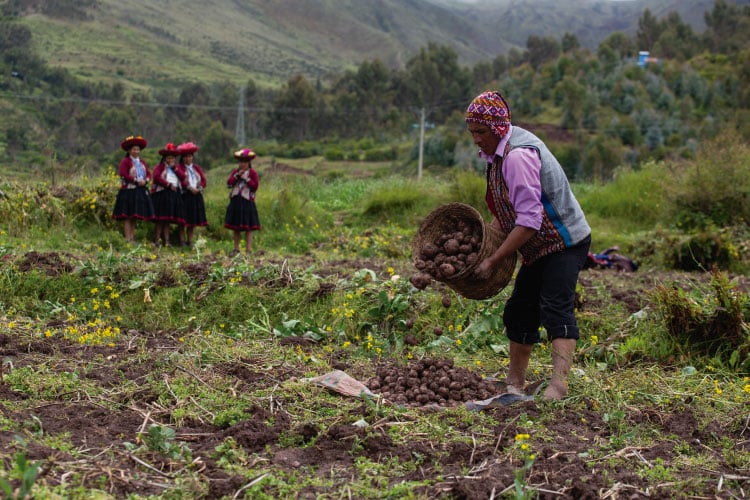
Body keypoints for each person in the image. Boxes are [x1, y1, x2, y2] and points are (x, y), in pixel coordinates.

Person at [465, 90, 591, 401]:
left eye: (480, 132)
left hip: (563, 242)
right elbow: (506, 209)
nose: (476, 140)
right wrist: (483, 242)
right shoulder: (498, 151)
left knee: (555, 308)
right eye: (472, 133)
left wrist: (493, 260)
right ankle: (515, 382)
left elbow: (529, 221)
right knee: (520, 309)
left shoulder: (518, 156)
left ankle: (558, 387)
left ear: (496, 128)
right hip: (537, 246)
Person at [112, 135, 155, 242]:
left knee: (134, 215)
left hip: (139, 190)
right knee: (128, 215)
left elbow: (148, 174)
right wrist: (135, 180)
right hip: (129, 191)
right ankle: (128, 239)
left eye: (138, 149)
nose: (136, 151)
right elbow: (123, 174)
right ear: (129, 150)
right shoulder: (125, 161)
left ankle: (132, 237)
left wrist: (146, 180)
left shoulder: (142, 162)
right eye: (134, 149)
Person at [224, 148, 261, 255]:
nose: (242, 164)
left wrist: (246, 178)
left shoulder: (252, 173)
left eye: (245, 162)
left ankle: (248, 250)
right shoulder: (235, 172)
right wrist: (237, 176)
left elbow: (255, 186)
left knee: (249, 228)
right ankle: (236, 249)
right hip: (236, 201)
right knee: (236, 227)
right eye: (241, 162)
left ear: (248, 163)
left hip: (247, 201)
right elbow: (229, 182)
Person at [150, 143, 186, 247]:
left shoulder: (177, 168)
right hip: (162, 194)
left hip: (173, 195)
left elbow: (183, 177)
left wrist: (174, 168)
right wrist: (168, 184)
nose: (170, 159)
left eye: (172, 158)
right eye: (169, 157)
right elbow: (156, 177)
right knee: (160, 219)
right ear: (165, 158)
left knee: (167, 220)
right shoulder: (160, 167)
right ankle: (156, 240)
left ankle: (167, 241)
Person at [176, 142, 208, 247]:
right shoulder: (179, 168)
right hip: (185, 196)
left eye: (189, 156)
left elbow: (203, 180)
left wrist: (199, 188)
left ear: (192, 157)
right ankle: (181, 240)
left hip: (196, 195)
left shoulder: (196, 168)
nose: (187, 159)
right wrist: (189, 188)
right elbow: (181, 180)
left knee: (192, 220)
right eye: (185, 156)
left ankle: (189, 240)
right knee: (183, 220)